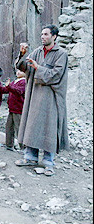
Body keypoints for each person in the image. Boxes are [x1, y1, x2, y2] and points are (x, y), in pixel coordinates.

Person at [14, 25, 69, 177]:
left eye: (46, 34)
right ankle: (30, 157)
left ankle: (48, 162)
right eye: (41, 34)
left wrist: (39, 68)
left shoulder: (61, 54)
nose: (42, 37)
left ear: (54, 36)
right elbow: (25, 68)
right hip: (35, 95)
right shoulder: (37, 51)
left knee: (49, 128)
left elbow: (56, 75)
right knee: (33, 125)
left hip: (51, 97)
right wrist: (22, 55)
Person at [0, 69, 26, 151]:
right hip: (12, 109)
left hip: (19, 109)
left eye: (21, 71)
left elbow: (19, 92)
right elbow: (5, 90)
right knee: (9, 127)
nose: (18, 72)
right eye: (18, 70)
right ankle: (9, 145)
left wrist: (9, 86)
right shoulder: (15, 81)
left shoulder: (24, 82)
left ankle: (23, 148)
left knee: (19, 129)